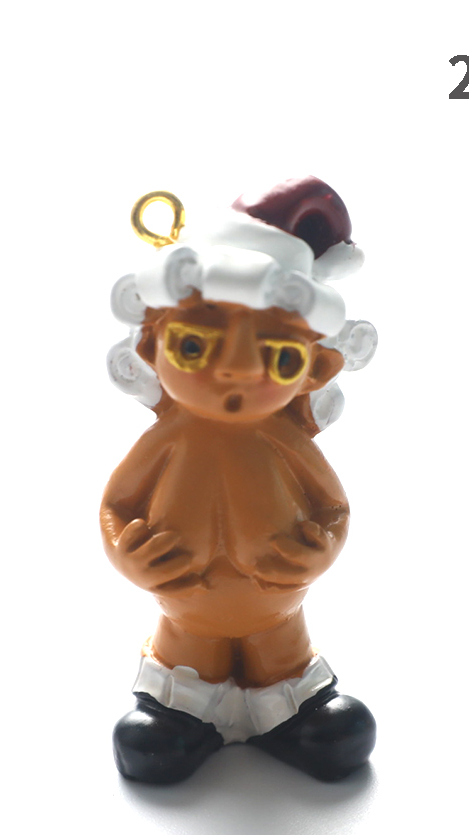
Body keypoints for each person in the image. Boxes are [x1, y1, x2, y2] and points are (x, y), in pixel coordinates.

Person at [102, 177, 378, 783]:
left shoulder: (284, 439)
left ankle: (292, 706)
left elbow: (334, 508)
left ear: (315, 368)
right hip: (187, 616)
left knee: (319, 706)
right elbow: (117, 507)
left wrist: (321, 547)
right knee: (164, 717)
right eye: (196, 346)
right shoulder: (169, 439)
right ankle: (180, 712)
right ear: (151, 344)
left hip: (276, 615)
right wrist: (129, 554)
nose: (236, 373)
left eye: (278, 357)